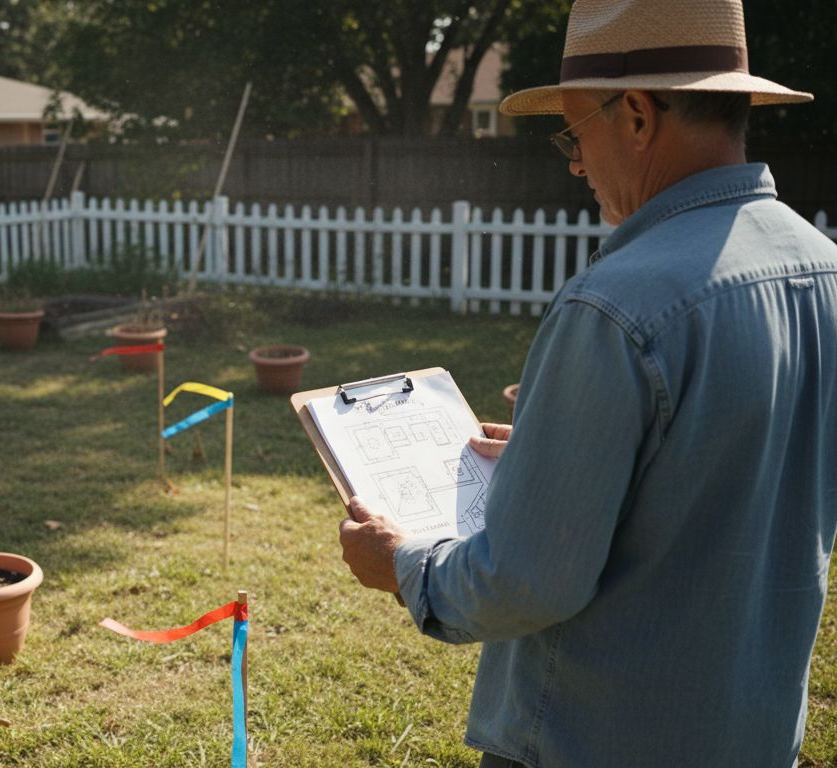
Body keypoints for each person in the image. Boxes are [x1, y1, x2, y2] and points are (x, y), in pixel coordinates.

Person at [336, 1, 837, 767]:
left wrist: (404, 564)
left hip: (595, 736)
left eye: (575, 132)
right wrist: (565, 458)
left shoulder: (615, 304)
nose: (573, 161)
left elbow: (528, 582)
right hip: (757, 733)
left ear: (636, 115)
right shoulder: (823, 269)